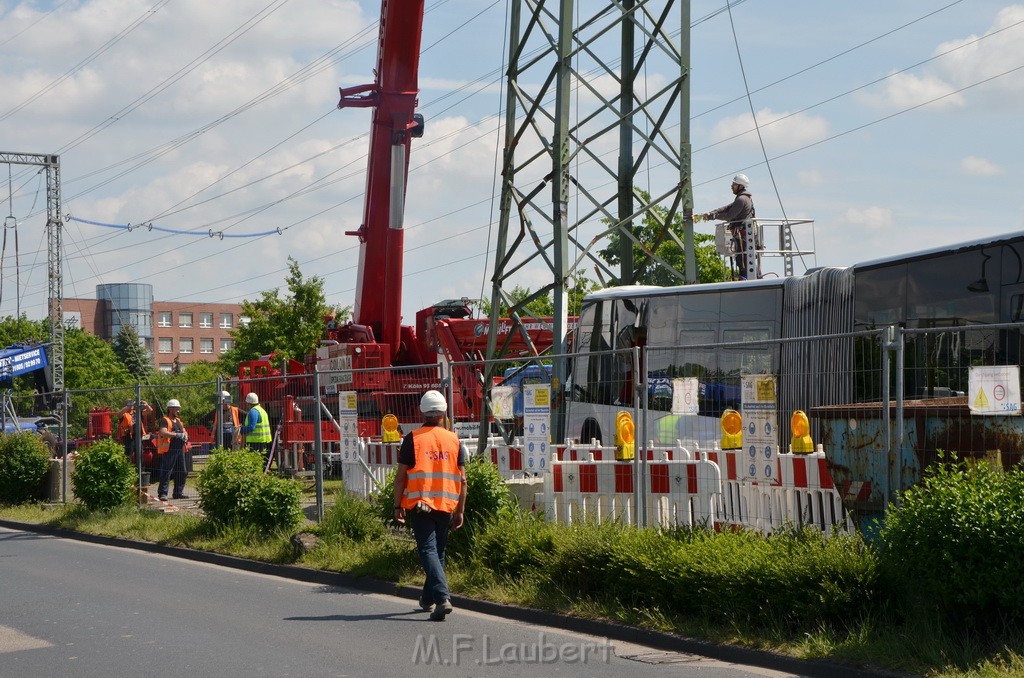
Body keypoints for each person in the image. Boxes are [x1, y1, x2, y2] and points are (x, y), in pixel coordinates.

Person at [393, 390, 467, 622]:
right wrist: (460, 510)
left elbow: (400, 477)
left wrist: (397, 506)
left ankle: (442, 597)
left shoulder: (412, 439)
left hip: (421, 505)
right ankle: (428, 599)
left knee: (428, 550)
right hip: (446, 505)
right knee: (438, 552)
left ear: (421, 411)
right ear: (444, 412)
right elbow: (463, 480)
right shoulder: (454, 439)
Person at [702, 173, 759, 279]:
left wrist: (714, 216)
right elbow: (728, 207)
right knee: (743, 257)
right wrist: (715, 211)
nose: (732, 186)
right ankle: (747, 276)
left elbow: (729, 215)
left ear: (741, 186)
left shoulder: (742, 199)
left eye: (734, 184)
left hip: (743, 234)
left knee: (743, 259)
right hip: (744, 234)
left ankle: (746, 277)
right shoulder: (743, 198)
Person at [156, 399, 189, 501]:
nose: (178, 411)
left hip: (180, 449)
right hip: (169, 449)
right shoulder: (165, 420)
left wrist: (185, 436)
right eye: (176, 408)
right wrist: (176, 435)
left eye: (178, 409)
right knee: (167, 471)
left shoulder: (178, 421)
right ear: (170, 409)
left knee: (182, 471)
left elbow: (184, 431)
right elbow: (163, 432)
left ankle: (178, 493)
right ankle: (162, 494)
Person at [239, 392, 272, 464]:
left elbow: (251, 427)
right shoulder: (262, 410)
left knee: (255, 462)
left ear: (249, 403)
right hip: (264, 440)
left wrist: (241, 429)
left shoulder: (253, 411)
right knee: (263, 463)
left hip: (256, 442)